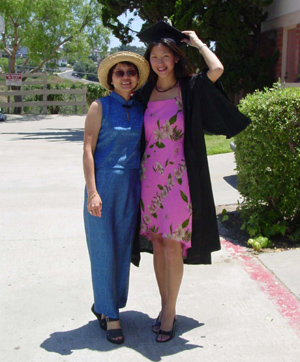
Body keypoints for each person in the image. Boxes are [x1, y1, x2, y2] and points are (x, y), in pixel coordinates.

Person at [131, 21, 251, 342]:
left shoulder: (190, 88)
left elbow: (218, 68)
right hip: (149, 180)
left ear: (175, 58)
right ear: (150, 59)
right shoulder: (144, 93)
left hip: (179, 180)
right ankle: (164, 305)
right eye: (155, 55)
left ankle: (170, 313)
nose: (160, 61)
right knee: (157, 244)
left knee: (173, 246)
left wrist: (197, 42)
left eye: (166, 55)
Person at [83, 51, 149, 344]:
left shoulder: (140, 109)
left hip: (131, 186)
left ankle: (107, 304)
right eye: (119, 72)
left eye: (130, 72)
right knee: (103, 250)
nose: (125, 76)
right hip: (103, 186)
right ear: (110, 79)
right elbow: (87, 149)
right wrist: (92, 191)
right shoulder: (99, 106)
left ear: (136, 79)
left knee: (123, 250)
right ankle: (110, 315)